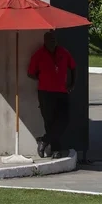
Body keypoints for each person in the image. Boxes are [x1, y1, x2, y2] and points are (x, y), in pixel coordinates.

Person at [27, 30, 76, 158]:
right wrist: (43, 78)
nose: (52, 42)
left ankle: (43, 140)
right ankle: (56, 151)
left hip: (61, 92)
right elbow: (30, 73)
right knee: (49, 122)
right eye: (50, 40)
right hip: (45, 93)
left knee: (64, 120)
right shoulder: (38, 55)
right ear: (45, 41)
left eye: (54, 40)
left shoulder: (63, 53)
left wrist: (72, 84)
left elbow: (73, 66)